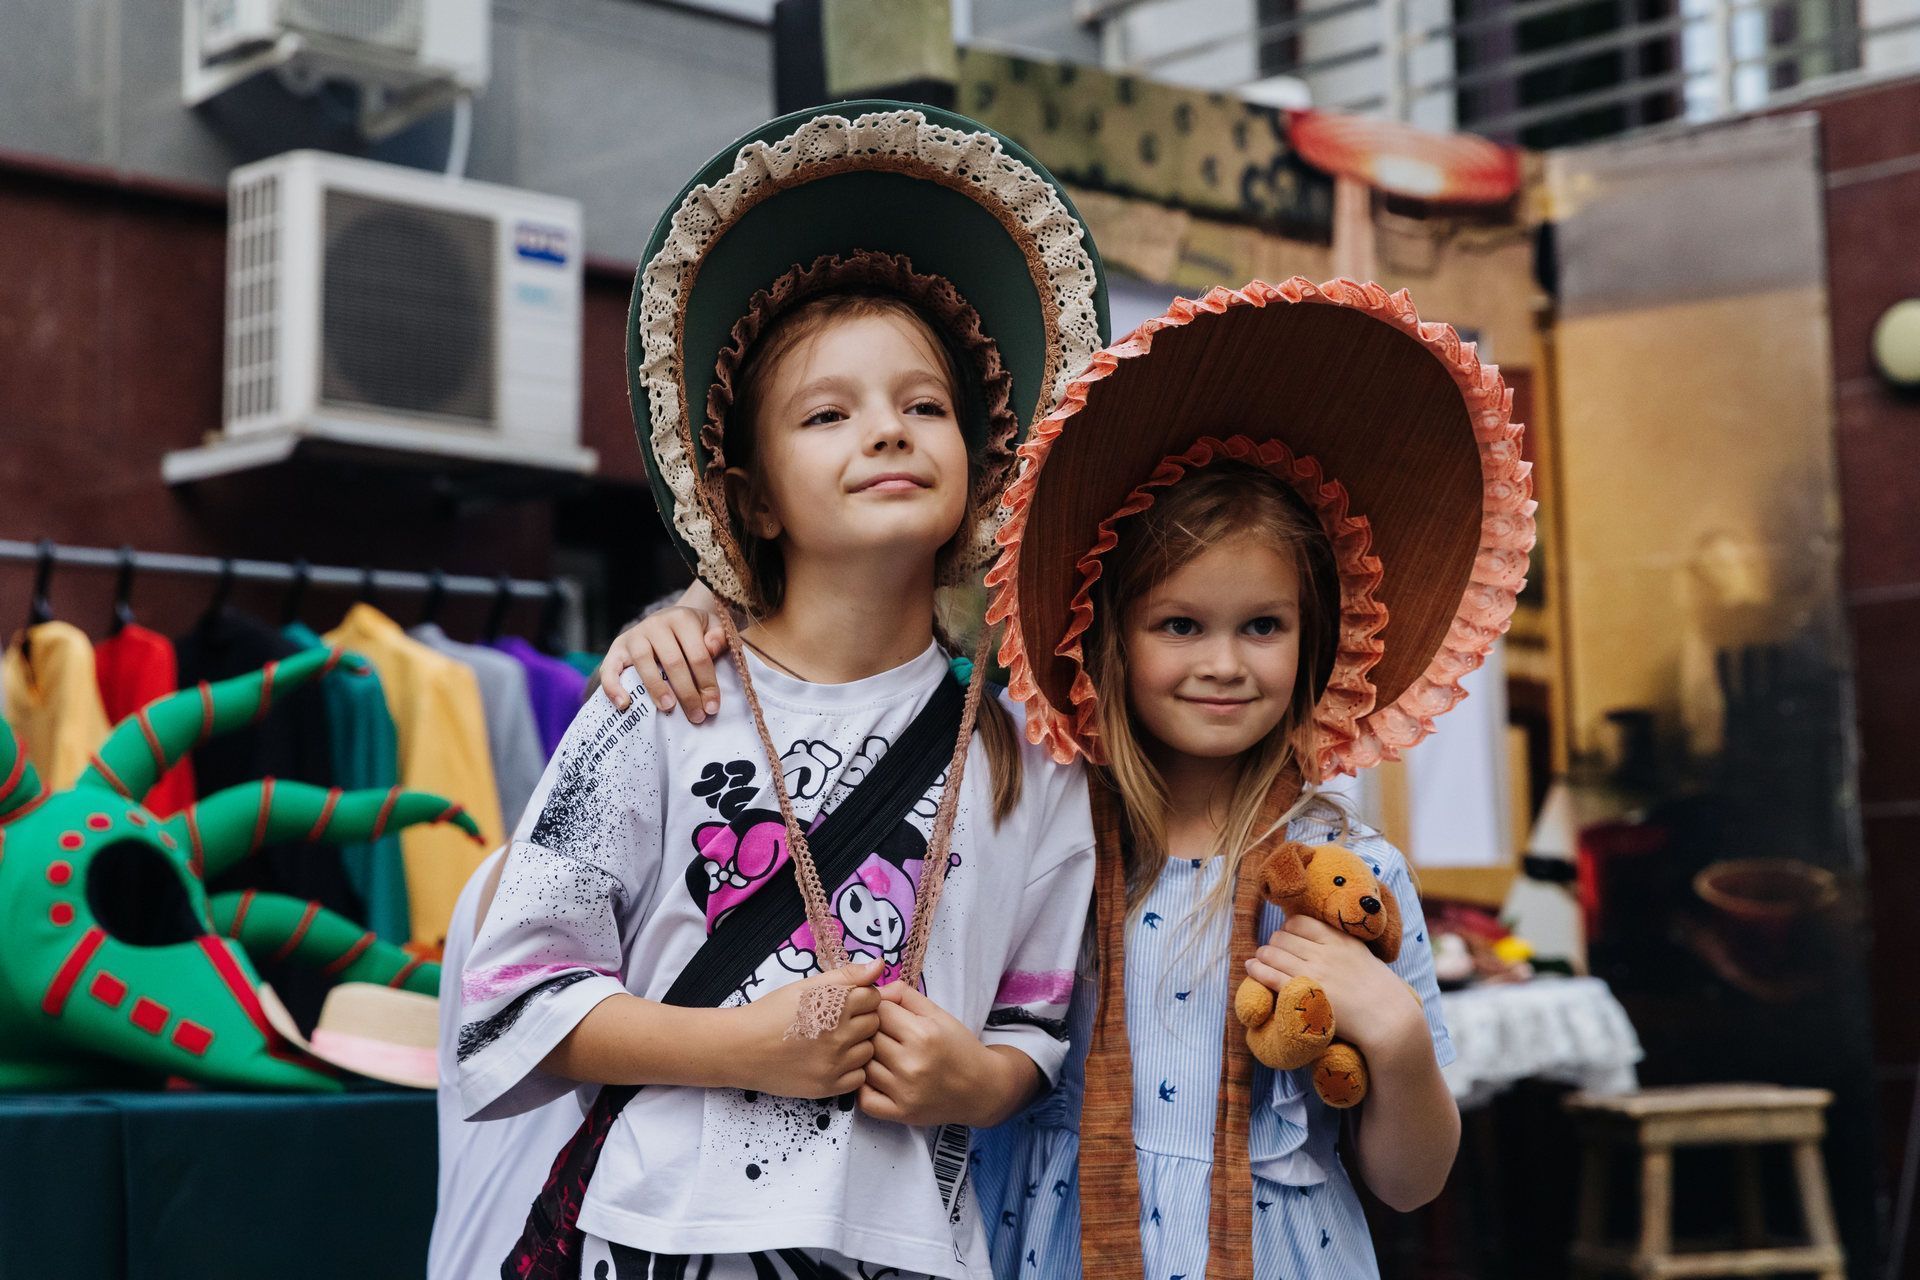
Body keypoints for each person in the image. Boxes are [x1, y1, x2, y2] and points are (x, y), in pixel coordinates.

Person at [611, 278, 1533, 1279]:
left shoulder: (1350, 870)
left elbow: (1410, 1180)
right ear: (1108, 637)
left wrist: (1394, 1035)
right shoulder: (1040, 818)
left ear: (1315, 645)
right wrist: (694, 606)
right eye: (1180, 624)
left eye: (1262, 625)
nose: (1223, 662)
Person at [455, 100, 1110, 1280]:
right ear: (753, 496)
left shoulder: (1031, 749)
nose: (888, 432)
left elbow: (1035, 1015)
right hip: (657, 1243)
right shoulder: (658, 700)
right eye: (828, 413)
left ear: (981, 456)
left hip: (911, 1249)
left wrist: (977, 1077)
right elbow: (510, 999)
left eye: (925, 404)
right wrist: (740, 1044)